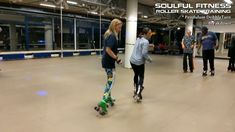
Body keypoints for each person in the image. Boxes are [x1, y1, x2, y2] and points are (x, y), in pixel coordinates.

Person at [94, 19, 123, 115]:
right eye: (119, 27)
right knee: (110, 82)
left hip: (107, 61)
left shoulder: (108, 34)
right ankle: (103, 101)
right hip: (109, 62)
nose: (120, 29)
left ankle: (109, 98)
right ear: (115, 26)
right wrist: (117, 58)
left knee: (109, 79)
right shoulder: (112, 36)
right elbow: (108, 50)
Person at [130, 27, 153, 101]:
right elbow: (144, 54)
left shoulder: (139, 38)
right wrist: (149, 59)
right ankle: (138, 94)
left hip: (132, 61)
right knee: (141, 77)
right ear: (145, 34)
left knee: (136, 75)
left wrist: (149, 46)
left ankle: (135, 90)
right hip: (139, 62)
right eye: (149, 33)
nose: (151, 35)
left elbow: (140, 46)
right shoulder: (146, 41)